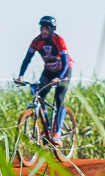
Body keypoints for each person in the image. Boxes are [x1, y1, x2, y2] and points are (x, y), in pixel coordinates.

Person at [16, 15, 74, 144]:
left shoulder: (59, 40)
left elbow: (65, 62)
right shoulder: (36, 41)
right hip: (48, 71)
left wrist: (59, 77)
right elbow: (27, 59)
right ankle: (47, 127)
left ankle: (57, 133)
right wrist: (21, 76)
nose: (43, 31)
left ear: (52, 30)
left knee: (58, 99)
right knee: (39, 95)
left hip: (63, 71)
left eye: (46, 29)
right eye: (42, 28)